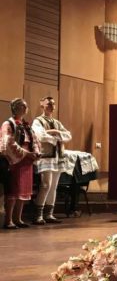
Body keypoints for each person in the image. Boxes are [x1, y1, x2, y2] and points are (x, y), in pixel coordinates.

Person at [0, 98, 41, 229]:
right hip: (15, 161)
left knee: (23, 190)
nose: (25, 108)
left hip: (26, 161)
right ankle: (8, 220)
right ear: (15, 108)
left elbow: (35, 140)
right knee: (13, 190)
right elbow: (8, 143)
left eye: (25, 106)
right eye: (22, 106)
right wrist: (26, 153)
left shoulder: (26, 125)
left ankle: (18, 218)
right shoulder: (8, 124)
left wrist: (36, 152)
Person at [32, 96, 72, 225]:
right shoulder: (38, 121)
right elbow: (40, 136)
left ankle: (49, 214)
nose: (51, 106)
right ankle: (38, 215)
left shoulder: (57, 122)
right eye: (49, 104)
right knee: (46, 185)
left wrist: (54, 132)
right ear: (42, 105)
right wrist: (56, 135)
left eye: (53, 104)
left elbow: (68, 135)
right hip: (46, 157)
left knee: (54, 186)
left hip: (57, 157)